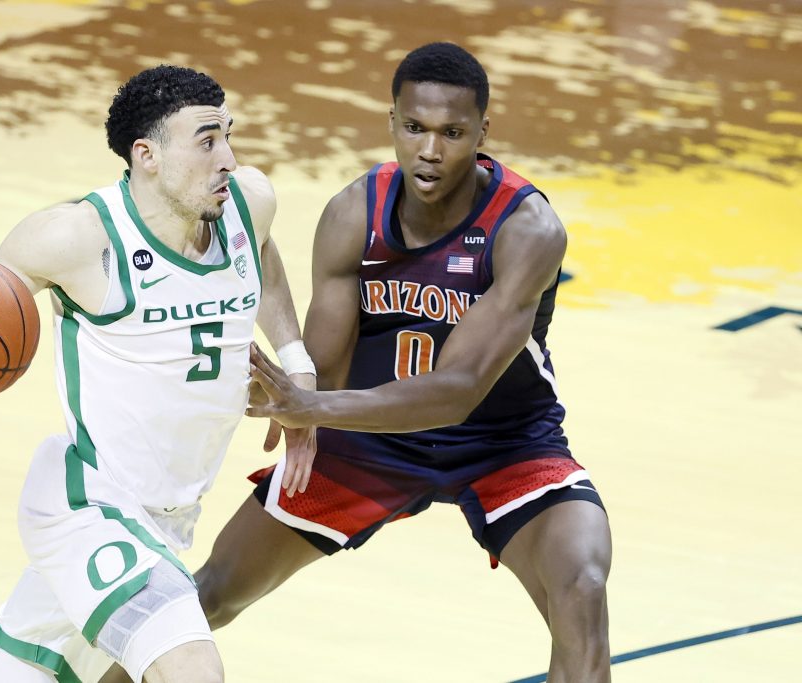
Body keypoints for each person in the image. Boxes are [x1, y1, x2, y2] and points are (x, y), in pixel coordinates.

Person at [0, 65, 317, 683]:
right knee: (192, 668)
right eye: (207, 141)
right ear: (148, 156)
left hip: (166, 518)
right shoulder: (79, 238)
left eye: (228, 136)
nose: (228, 157)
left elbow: (263, 257)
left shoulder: (249, 203)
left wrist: (298, 369)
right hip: (88, 502)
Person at [195, 42, 613, 681]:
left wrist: (315, 404)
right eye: (415, 128)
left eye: (452, 133)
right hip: (368, 441)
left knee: (580, 586)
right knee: (209, 594)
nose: (431, 150)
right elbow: (327, 359)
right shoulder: (354, 211)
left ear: (482, 133)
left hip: (504, 444)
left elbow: (459, 389)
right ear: (392, 122)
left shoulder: (527, 228)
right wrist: (306, 418)